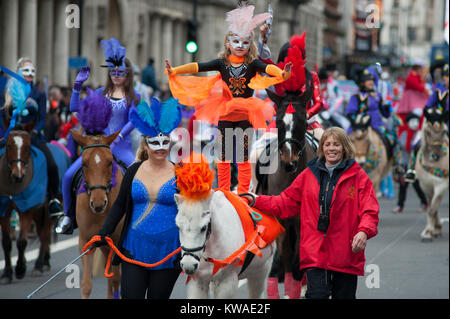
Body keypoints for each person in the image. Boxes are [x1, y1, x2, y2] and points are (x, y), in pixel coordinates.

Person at [165, 4, 292, 194]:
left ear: (250, 44)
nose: (240, 46)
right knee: (223, 156)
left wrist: (282, 73)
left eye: (245, 42)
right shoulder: (221, 63)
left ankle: (243, 193)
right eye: (236, 41)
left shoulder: (252, 63)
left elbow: (267, 69)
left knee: (242, 156)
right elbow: (198, 66)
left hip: (245, 114)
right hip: (225, 113)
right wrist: (175, 70)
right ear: (227, 43)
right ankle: (223, 191)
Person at [242, 127, 379, 299]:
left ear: (344, 148)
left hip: (346, 252)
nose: (331, 148)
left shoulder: (358, 176)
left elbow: (370, 210)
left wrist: (363, 231)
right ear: (322, 148)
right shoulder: (307, 175)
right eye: (327, 144)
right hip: (316, 253)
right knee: (317, 295)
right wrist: (256, 199)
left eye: (336, 144)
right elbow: (285, 202)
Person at [94, 97, 182, 299]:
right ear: (146, 144)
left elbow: (191, 212)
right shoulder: (133, 171)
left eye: (165, 142)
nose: (160, 147)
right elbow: (118, 206)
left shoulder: (181, 173)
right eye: (155, 142)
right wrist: (103, 232)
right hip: (134, 250)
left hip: (168, 254)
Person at [56, 38, 140, 234]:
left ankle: (135, 219)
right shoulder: (101, 93)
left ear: (128, 74)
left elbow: (134, 119)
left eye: (121, 72)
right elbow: (75, 108)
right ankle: (68, 216)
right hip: (97, 145)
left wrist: (119, 136)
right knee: (69, 176)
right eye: (113, 72)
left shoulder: (133, 96)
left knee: (135, 178)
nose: (117, 75)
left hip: (121, 146)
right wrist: (77, 86)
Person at [1, 58, 64, 218]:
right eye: (25, 71)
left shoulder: (40, 93)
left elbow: (43, 117)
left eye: (32, 71)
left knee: (52, 165)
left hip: (33, 137)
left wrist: (34, 131)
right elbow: (3, 114)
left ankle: (53, 199)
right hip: (12, 136)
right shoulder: (8, 92)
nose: (29, 74)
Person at [346, 67, 402, 171]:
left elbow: (385, 114)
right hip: (359, 127)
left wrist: (386, 108)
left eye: (372, 79)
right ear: (362, 82)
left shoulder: (377, 96)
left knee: (392, 140)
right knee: (344, 143)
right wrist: (358, 122)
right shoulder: (355, 97)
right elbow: (350, 112)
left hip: (377, 125)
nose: (371, 82)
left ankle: (396, 165)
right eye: (368, 80)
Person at [404, 63, 449, 182]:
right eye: (447, 76)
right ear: (443, 77)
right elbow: (428, 105)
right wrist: (431, 114)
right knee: (417, 142)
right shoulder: (438, 91)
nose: (448, 79)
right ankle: (411, 169)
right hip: (437, 124)